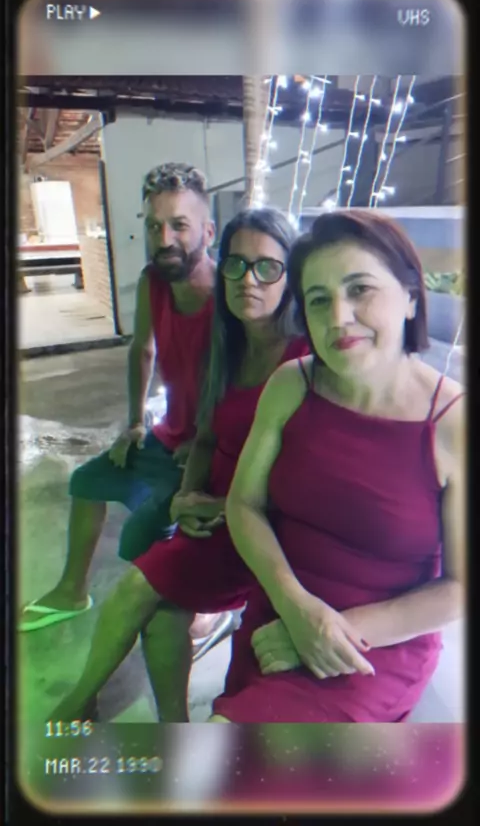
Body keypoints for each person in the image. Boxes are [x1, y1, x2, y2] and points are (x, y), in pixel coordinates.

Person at [47, 206, 309, 722]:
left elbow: (302, 482)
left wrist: (223, 507)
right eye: (235, 265)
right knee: (162, 615)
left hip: (265, 527)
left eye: (267, 267)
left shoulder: (303, 359)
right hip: (211, 515)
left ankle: (75, 706)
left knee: (139, 584)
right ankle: (171, 731)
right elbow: (205, 437)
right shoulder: (227, 345)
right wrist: (188, 494)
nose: (247, 280)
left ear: (290, 277)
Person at [210, 208, 465, 723]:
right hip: (278, 610)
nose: (339, 317)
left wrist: (331, 631)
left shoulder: (452, 422)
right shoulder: (291, 385)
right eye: (319, 299)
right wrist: (296, 608)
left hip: (372, 647)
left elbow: (460, 587)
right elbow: (244, 504)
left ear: (411, 296)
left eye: (360, 289)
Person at [19, 162, 228, 648]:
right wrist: (135, 421)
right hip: (171, 434)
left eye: (179, 225)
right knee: (87, 480)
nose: (164, 239)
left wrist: (207, 442)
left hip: (214, 447)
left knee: (147, 529)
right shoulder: (154, 281)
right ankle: (72, 591)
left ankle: (213, 605)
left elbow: (244, 388)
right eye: (154, 226)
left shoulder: (228, 300)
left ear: (208, 231)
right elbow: (142, 349)